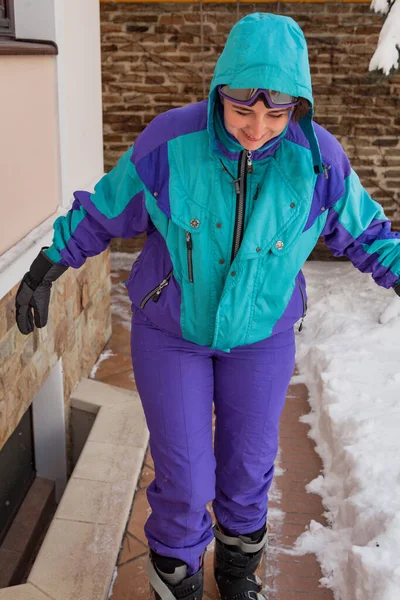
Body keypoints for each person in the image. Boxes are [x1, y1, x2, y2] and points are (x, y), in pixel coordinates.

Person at [15, 12, 400, 600]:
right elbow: (106, 209)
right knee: (187, 478)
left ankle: (240, 571)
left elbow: (368, 234)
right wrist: (49, 264)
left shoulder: (318, 161)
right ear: (220, 89)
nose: (257, 128)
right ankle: (177, 578)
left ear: (298, 107)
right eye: (244, 109)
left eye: (276, 114)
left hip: (262, 332)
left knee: (248, 469)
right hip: (172, 328)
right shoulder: (171, 145)